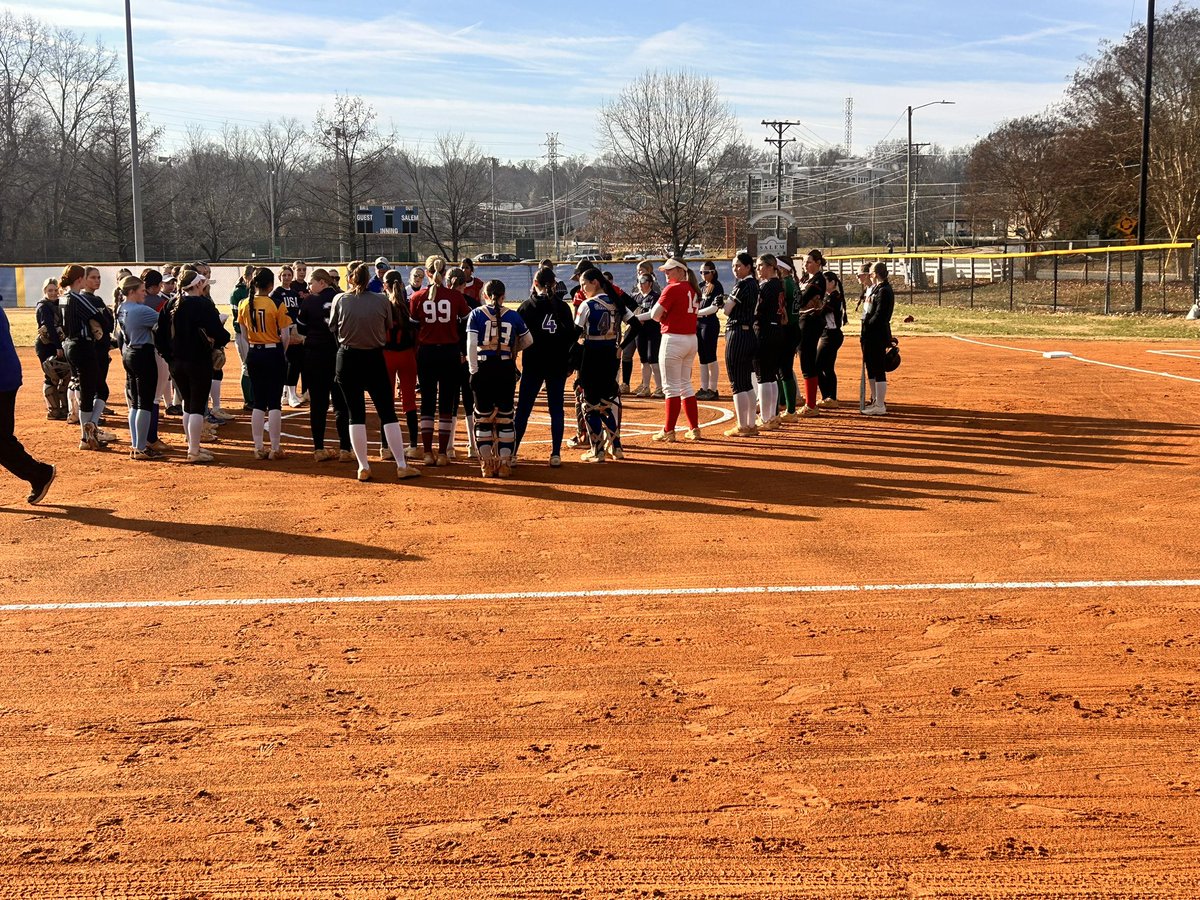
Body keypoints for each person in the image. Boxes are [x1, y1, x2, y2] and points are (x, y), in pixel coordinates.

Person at [329, 263, 420, 482]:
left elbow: (333, 328)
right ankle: (401, 465)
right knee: (387, 412)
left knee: (355, 414)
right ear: (370, 279)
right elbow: (388, 324)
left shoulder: (340, 299)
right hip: (374, 357)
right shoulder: (381, 300)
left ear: (350, 278)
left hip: (347, 357)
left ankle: (363, 466)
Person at [157, 268, 228, 463]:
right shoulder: (203, 304)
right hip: (197, 361)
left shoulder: (171, 303)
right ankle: (194, 451)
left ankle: (192, 446)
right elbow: (220, 333)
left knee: (188, 405)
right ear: (197, 285)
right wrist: (221, 338)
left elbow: (159, 333)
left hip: (176, 362)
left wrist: (168, 356)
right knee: (196, 406)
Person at [466, 279, 532, 477]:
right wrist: (510, 349)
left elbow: (470, 345)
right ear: (504, 296)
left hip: (483, 367)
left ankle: (486, 465)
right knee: (505, 417)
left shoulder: (476, 314)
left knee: (483, 418)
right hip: (505, 367)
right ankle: (504, 464)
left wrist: (473, 370)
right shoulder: (513, 315)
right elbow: (528, 340)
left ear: (485, 295)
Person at [410, 255, 471, 465]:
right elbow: (465, 324)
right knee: (446, 402)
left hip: (426, 353)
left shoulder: (417, 296)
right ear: (445, 273)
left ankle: (427, 453)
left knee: (427, 402)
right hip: (449, 353)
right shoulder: (455, 297)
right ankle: (443, 454)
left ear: (427, 273)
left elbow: (415, 326)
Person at [573, 268, 638, 463]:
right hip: (611, 355)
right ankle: (616, 447)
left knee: (590, 404)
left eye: (584, 284)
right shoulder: (616, 302)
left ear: (595, 282)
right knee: (607, 403)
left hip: (592, 354)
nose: (582, 288)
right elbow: (636, 325)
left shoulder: (588, 305)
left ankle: (598, 450)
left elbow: (575, 333)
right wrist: (622, 347)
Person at [513, 266, 574, 467]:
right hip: (557, 364)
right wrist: (568, 363)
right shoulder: (563, 307)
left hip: (534, 364)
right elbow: (570, 339)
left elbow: (518, 340)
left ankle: (512, 452)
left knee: (523, 410)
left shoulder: (526, 307)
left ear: (535, 283)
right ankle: (555, 454)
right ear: (554, 284)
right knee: (556, 409)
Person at [0, 302, 55, 503]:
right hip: (5, 375)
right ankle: (38, 474)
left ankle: (39, 474)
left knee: (1, 440)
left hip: (2, 378)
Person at [295, 267, 351, 462]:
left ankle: (319, 448)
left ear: (322, 282)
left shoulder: (310, 301)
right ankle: (345, 448)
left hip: (315, 356)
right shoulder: (342, 297)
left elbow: (300, 330)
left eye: (311, 283)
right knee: (341, 404)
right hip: (338, 355)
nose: (309, 287)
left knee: (318, 404)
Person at [237, 267, 292, 460]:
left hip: (254, 352)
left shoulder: (244, 303)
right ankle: (275, 448)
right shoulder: (276, 303)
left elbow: (243, 334)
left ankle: (258, 447)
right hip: (273, 352)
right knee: (274, 402)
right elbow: (285, 336)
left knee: (259, 401)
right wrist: (279, 352)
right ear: (271, 284)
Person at [59, 264, 112, 450]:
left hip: (69, 345)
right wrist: (102, 323)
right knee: (97, 391)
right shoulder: (76, 298)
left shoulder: (63, 298)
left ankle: (88, 433)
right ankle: (87, 433)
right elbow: (103, 320)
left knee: (85, 387)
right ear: (79, 279)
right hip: (83, 346)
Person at [649, 259, 702, 442]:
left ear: (680, 271)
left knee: (671, 387)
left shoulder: (672, 289)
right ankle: (694, 428)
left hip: (673, 339)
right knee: (685, 384)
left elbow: (654, 315)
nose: (666, 274)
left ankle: (668, 430)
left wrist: (663, 317)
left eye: (670, 271)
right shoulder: (693, 288)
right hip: (690, 339)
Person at [115, 275, 163, 460]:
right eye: (142, 290)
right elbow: (165, 323)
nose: (145, 293)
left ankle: (136, 445)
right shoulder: (140, 310)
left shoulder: (122, 307)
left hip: (128, 353)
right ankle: (141, 447)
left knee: (135, 402)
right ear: (132, 291)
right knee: (145, 403)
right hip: (142, 354)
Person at [381, 269, 420, 462]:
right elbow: (416, 336)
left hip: (387, 355)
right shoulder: (409, 305)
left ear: (384, 285)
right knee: (410, 402)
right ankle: (413, 445)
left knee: (386, 402)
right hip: (407, 355)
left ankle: (385, 447)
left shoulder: (382, 305)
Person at [722, 253, 760, 437]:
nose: (735, 269)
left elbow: (727, 310)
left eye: (738, 266)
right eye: (733, 266)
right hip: (750, 333)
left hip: (738, 333)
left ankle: (742, 425)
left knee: (738, 383)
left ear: (748, 266)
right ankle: (751, 424)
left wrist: (722, 303)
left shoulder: (743, 284)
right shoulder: (755, 284)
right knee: (746, 382)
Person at [789, 249, 829, 420]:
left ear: (818, 263)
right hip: (804, 320)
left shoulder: (819, 279)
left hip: (811, 321)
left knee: (807, 361)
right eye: (804, 262)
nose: (805, 265)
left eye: (809, 262)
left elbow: (802, 299)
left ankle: (811, 405)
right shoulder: (807, 278)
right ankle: (810, 403)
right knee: (806, 361)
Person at [861, 261, 895, 416]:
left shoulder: (884, 291)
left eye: (872, 272)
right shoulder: (876, 289)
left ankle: (880, 404)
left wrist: (868, 324)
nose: (870, 275)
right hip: (869, 334)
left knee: (878, 368)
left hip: (877, 334)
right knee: (872, 368)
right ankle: (875, 400)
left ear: (876, 274)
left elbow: (880, 315)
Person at [271, 264, 306, 409]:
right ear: (279, 277)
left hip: (294, 329)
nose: (286, 277)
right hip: (283, 330)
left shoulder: (294, 293)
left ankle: (287, 393)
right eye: (284, 275)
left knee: (295, 362)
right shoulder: (276, 293)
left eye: (289, 275)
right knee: (289, 362)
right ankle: (289, 394)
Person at [35, 278, 70, 420]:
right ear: (44, 291)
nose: (53, 293)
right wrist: (57, 347)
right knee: (51, 376)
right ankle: (53, 411)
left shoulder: (60, 303)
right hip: (46, 345)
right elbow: (49, 328)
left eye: (55, 290)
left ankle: (64, 408)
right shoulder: (43, 306)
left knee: (65, 374)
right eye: (50, 290)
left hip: (58, 344)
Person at [815, 271, 847, 408]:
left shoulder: (834, 297)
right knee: (827, 367)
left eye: (826, 282)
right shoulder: (830, 296)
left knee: (818, 366)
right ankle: (829, 397)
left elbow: (821, 312)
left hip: (831, 335)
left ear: (833, 283)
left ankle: (829, 396)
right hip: (829, 334)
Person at [695, 261, 724, 400]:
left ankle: (713, 389)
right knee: (702, 357)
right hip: (699, 323)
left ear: (713, 272)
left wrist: (695, 313)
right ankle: (703, 387)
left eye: (706, 272)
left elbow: (714, 308)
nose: (703, 275)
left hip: (709, 323)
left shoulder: (717, 286)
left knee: (710, 356)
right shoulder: (700, 286)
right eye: (701, 272)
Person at [630, 273, 662, 397]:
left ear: (650, 283)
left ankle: (659, 387)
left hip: (652, 331)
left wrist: (635, 318)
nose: (640, 284)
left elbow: (652, 314)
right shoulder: (636, 297)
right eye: (639, 281)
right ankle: (646, 387)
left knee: (652, 358)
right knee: (644, 360)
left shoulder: (655, 297)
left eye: (643, 281)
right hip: (640, 332)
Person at [229, 263, 256, 411]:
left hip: (254, 334)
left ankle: (254, 397)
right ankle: (248, 400)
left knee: (254, 366)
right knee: (247, 366)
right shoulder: (238, 292)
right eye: (252, 276)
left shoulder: (254, 291)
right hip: (242, 333)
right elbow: (238, 317)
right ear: (246, 277)